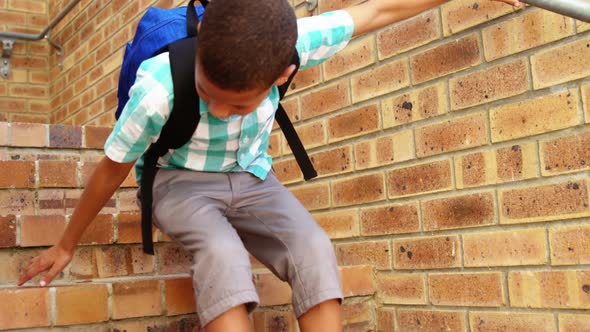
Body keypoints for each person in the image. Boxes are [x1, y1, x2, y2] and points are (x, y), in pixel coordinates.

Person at [18, 0, 520, 330]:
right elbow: (111, 167)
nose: (217, 111)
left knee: (314, 247)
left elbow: (377, 12)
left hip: (254, 176)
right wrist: (67, 243)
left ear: (282, 74)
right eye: (206, 94)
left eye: (236, 105)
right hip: (179, 181)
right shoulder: (158, 86)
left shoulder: (294, 43)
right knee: (222, 253)